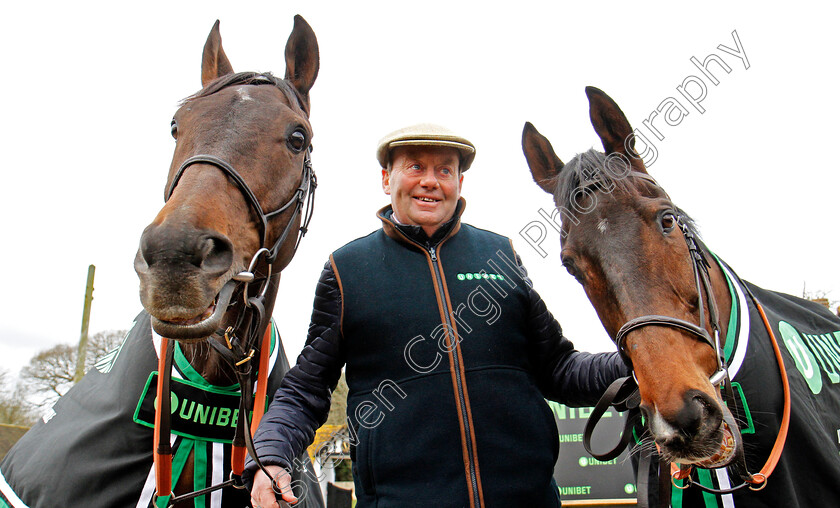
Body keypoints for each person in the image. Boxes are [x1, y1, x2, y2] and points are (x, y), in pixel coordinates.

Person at [245, 124, 629, 508]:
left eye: (444, 171)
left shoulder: (502, 255)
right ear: (386, 178)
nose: (430, 181)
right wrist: (271, 457)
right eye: (415, 167)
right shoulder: (345, 270)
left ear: (459, 182)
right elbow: (305, 389)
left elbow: (558, 367)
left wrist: (637, 364)